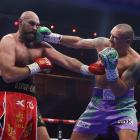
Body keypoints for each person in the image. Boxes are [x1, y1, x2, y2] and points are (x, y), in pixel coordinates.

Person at [0, 11, 101, 139]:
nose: (35, 28)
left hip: (30, 100)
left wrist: (88, 69)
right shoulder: (8, 41)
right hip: (7, 98)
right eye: (31, 24)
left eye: (37, 25)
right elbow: (8, 75)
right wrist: (36, 66)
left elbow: (66, 60)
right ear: (20, 23)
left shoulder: (40, 45)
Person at [36, 23, 140, 140]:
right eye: (111, 35)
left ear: (128, 41)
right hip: (97, 103)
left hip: (123, 106)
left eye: (115, 38)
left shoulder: (136, 61)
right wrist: (50, 37)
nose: (110, 40)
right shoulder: (103, 43)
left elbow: (119, 91)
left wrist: (111, 70)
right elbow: (78, 42)